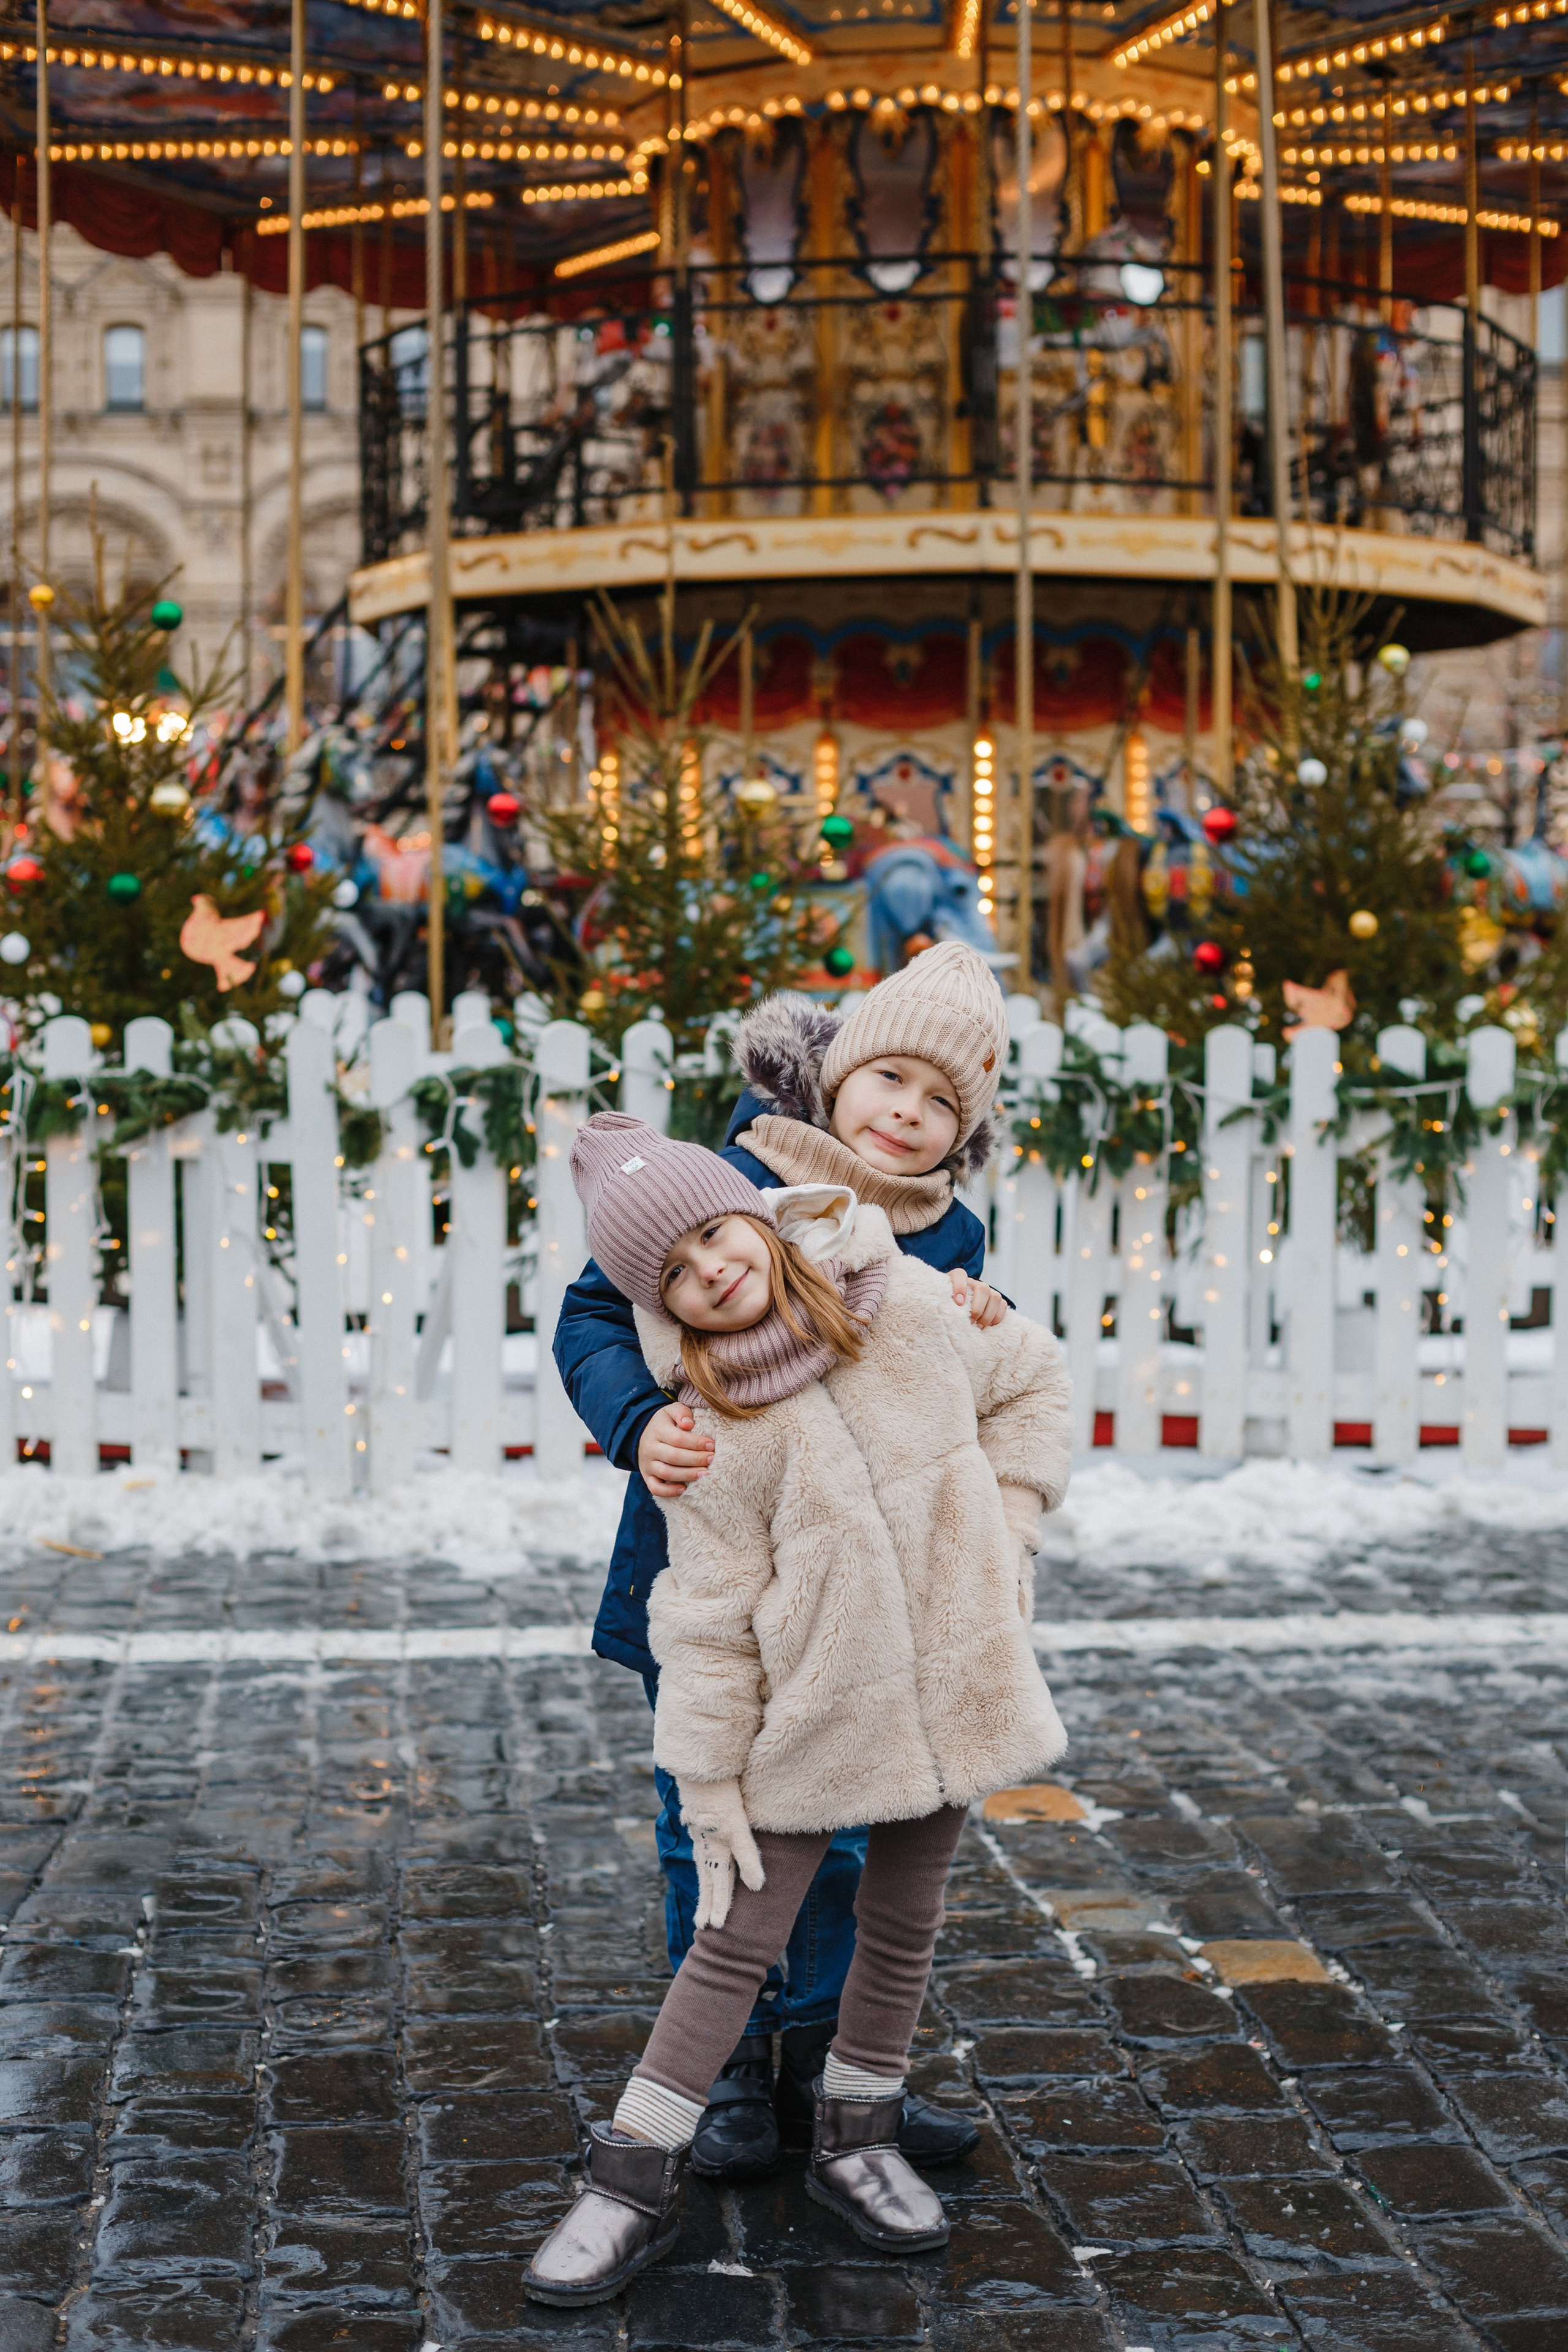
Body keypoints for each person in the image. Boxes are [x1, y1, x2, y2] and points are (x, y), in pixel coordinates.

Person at [526, 1118, 1071, 2307]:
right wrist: (709, 1779)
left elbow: (1030, 1379)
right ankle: (630, 2178)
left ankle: (857, 2135)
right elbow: (705, 1623)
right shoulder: (710, 1427)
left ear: (760, 1217)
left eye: (715, 1236)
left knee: (905, 1918)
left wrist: (1011, 1530)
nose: (711, 1271)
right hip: (817, 1714)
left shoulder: (910, 1306)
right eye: (675, 1273)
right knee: (732, 1937)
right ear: (660, 1307)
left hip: (956, 1678)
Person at [552, 943, 1014, 2180]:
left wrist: (987, 1317)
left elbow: (940, 1377)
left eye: (941, 1101)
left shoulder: (949, 1228)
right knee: (707, 1821)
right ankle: (727, 2071)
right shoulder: (737, 1178)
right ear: (839, 1071)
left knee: (847, 1821)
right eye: (889, 1080)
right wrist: (636, 1421)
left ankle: (823, 2058)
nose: (906, 1115)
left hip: (863, 1590)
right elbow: (594, 1312)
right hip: (715, 1562)